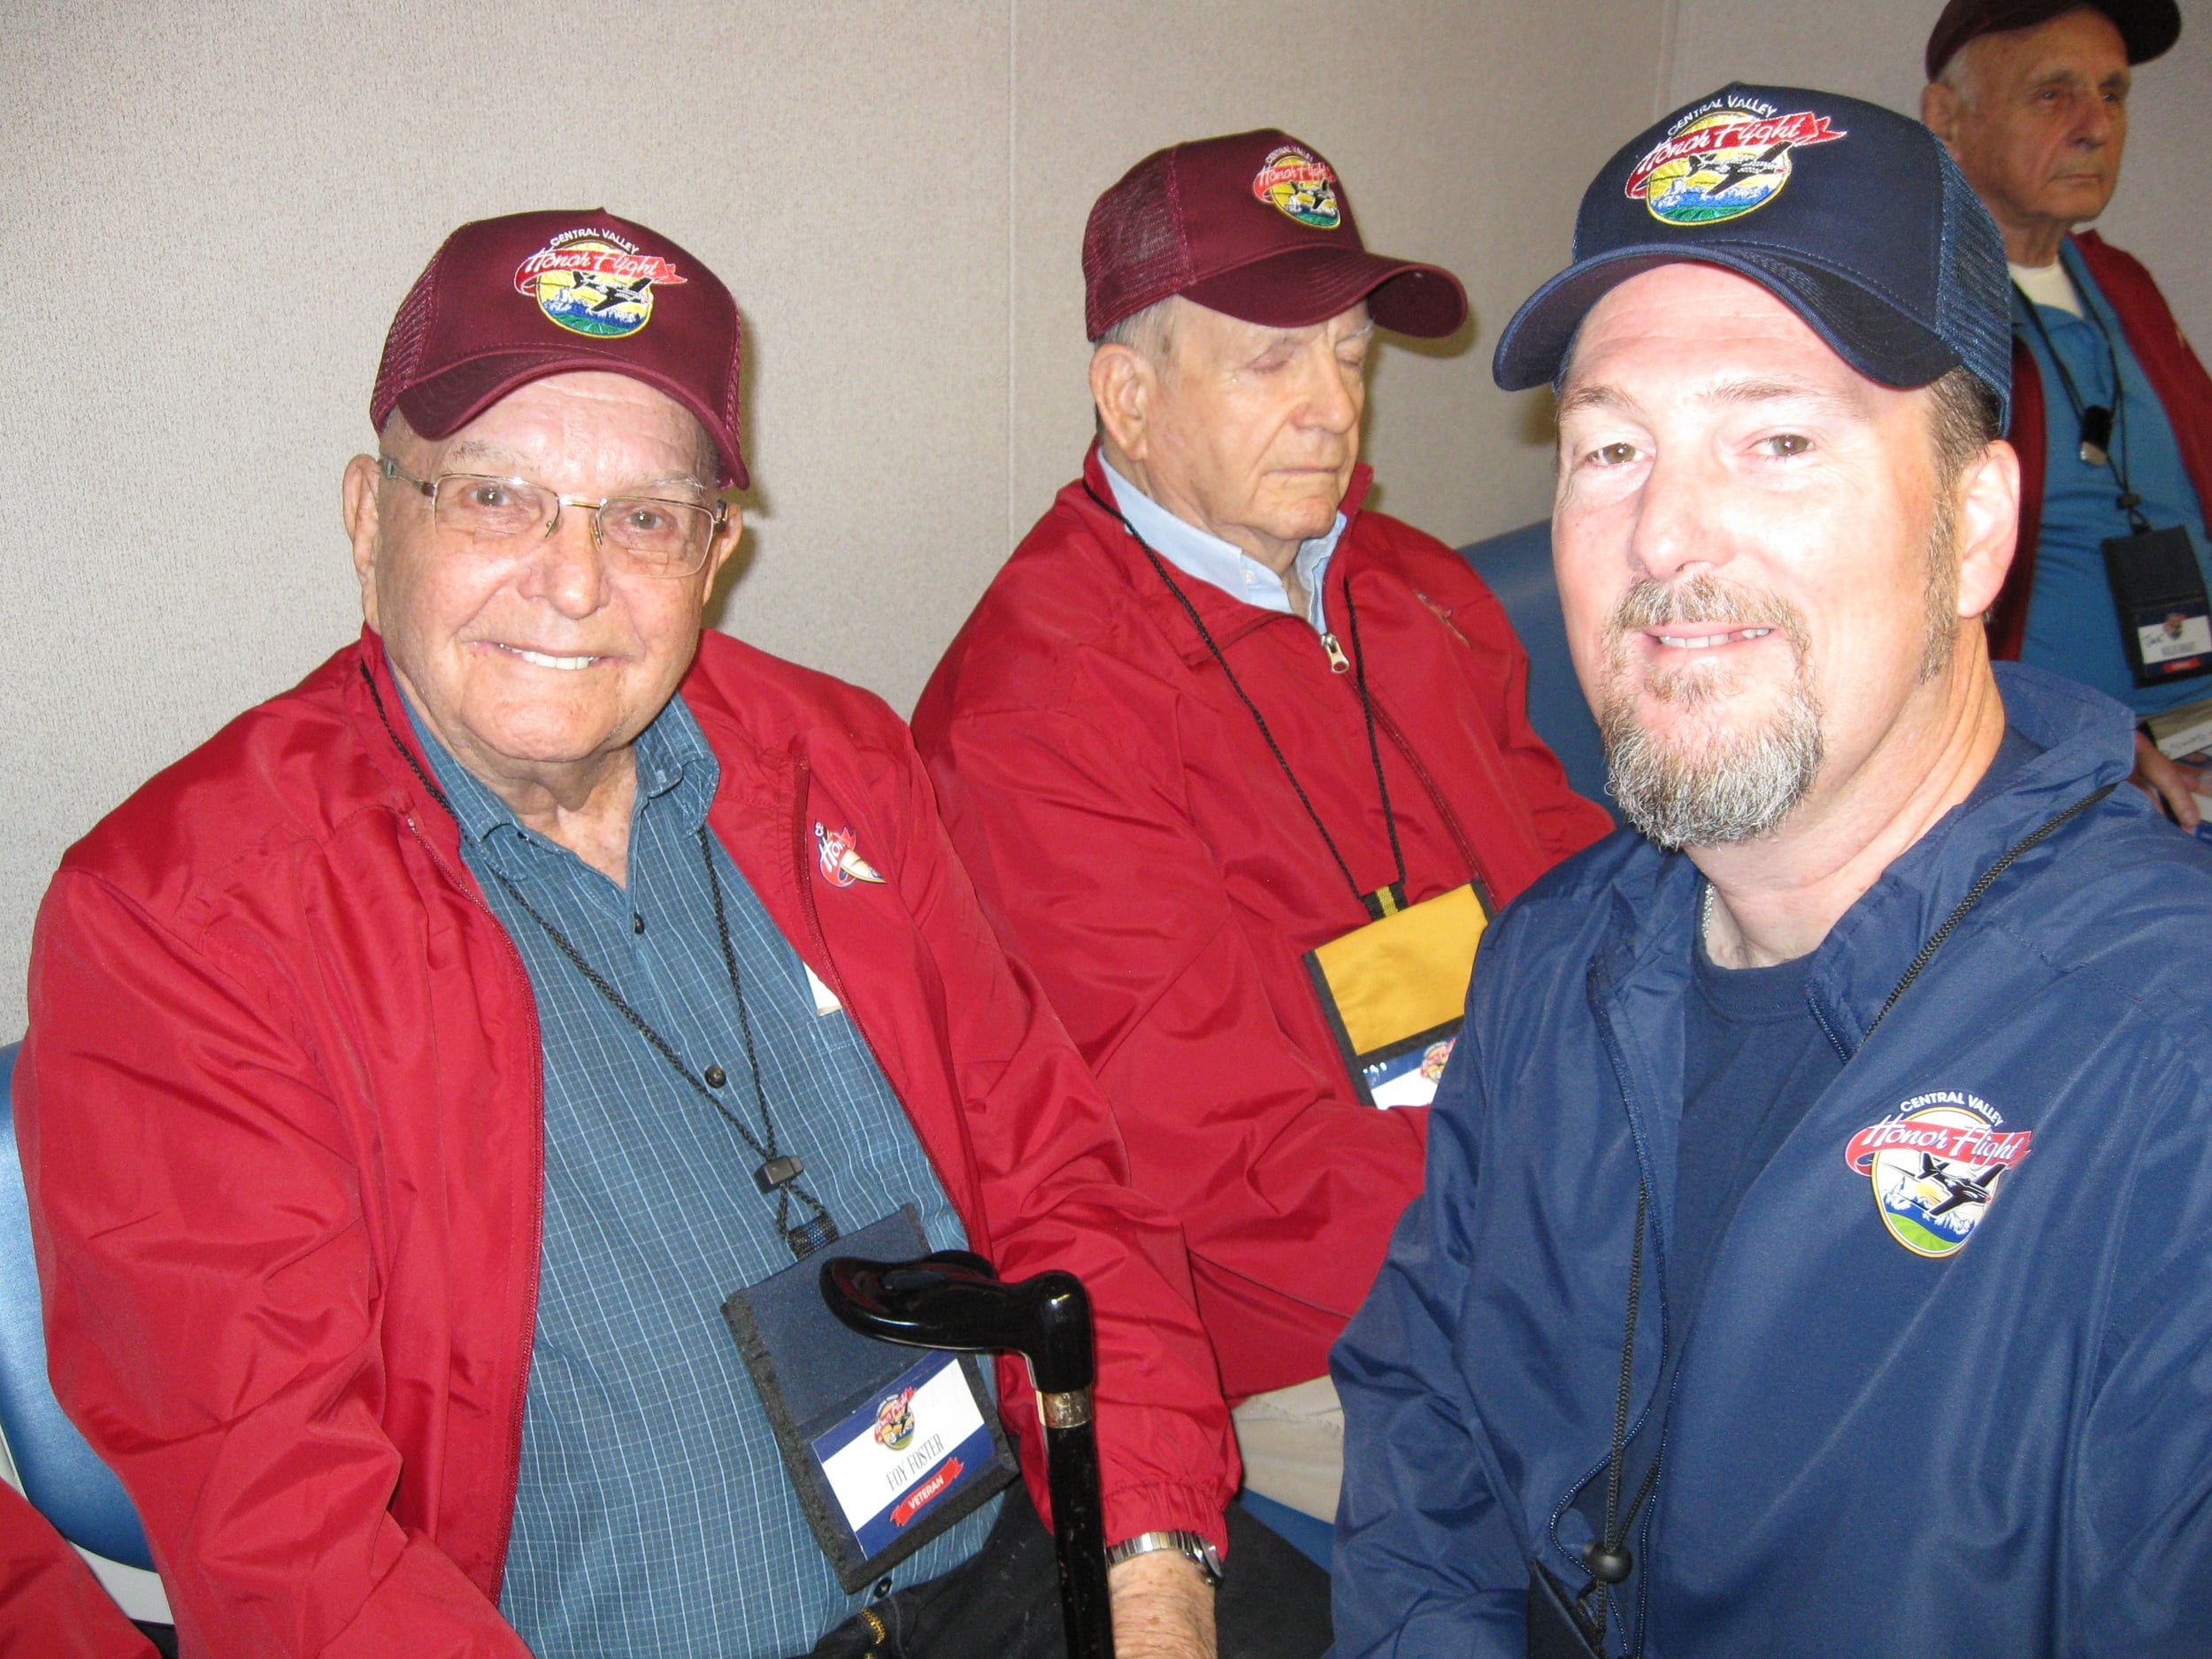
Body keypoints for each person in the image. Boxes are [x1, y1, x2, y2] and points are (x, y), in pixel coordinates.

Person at [21, 209, 1333, 1659]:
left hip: (1025, 1556)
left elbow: (1059, 1179)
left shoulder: (843, 766)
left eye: (645, 516)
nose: (575, 579)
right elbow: (287, 1538)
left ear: (714, 552)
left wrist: (1146, 1562)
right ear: (366, 517)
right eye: (494, 499)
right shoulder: (182, 921)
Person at [1333, 84, 2212, 1655]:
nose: (1668, 533)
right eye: (1612, 447)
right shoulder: (1551, 964)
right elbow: (1429, 1457)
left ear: (1977, 524)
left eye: (1780, 439)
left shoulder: (2169, 1076)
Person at [911, 131, 1610, 1530]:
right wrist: (1579, 1227)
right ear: (1129, 394)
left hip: (1552, 1200)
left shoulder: (1411, 590)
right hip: (1327, 1334)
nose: (1334, 407)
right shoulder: (1033, 705)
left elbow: (1588, 904)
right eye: (1269, 360)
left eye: (1349, 355)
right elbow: (1214, 1157)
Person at [1920, 0, 2212, 826]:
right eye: (2054, 94)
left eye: (2112, 95)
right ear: (1948, 115)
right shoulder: (1918, 307)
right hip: (2055, 764)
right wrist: (2078, 743)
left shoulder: (2121, 283)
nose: (2095, 126)